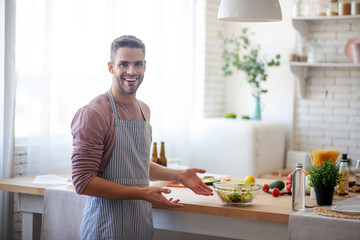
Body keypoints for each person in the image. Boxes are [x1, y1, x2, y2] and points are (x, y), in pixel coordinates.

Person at [71, 35, 213, 240]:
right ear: (111, 67)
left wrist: (178, 175)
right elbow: (82, 182)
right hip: (105, 226)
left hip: (140, 223)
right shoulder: (94, 113)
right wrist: (143, 193)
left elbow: (135, 165)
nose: (131, 71)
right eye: (123, 64)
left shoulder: (144, 109)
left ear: (145, 66)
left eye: (137, 64)